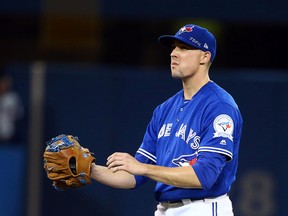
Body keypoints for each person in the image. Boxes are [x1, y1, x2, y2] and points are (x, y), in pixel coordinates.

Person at [90, 24, 243, 216]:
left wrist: (143, 168)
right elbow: (134, 176)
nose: (174, 54)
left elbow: (205, 175)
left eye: (184, 48)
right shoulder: (164, 109)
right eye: (174, 47)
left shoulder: (219, 106)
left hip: (202, 208)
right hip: (165, 209)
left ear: (205, 57)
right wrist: (90, 170)